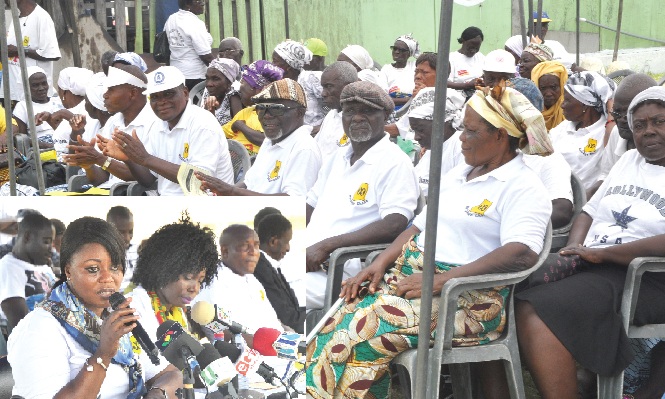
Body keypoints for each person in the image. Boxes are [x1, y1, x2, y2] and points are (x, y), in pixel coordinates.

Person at [306, 85, 552, 398]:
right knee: (339, 316)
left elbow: (522, 254)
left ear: (500, 136)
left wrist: (441, 280)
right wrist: (380, 263)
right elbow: (416, 228)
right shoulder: (459, 175)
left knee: (363, 330)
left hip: (467, 299)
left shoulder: (523, 187)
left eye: (471, 131)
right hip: (413, 283)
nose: (461, 137)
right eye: (463, 128)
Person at [513, 86, 665, 399]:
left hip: (645, 277)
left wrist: (604, 255)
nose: (649, 131)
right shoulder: (628, 161)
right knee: (520, 286)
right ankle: (582, 382)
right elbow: (587, 211)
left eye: (659, 122)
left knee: (535, 307)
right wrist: (575, 249)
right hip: (594, 263)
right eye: (639, 125)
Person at [7, 216, 182, 398]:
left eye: (115, 267)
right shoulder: (40, 328)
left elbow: (170, 373)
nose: (107, 278)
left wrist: (158, 392)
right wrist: (103, 354)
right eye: (93, 269)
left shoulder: (117, 318)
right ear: (68, 271)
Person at [305, 81, 420, 310]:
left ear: (386, 116)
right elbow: (309, 207)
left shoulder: (395, 162)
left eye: (367, 111)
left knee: (264, 290)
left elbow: (395, 224)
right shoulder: (338, 157)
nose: (357, 118)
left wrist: (327, 246)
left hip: (341, 271)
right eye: (349, 112)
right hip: (307, 261)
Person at [105, 66, 234, 196]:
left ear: (185, 93)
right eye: (155, 97)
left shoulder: (203, 123)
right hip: (167, 203)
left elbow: (198, 181)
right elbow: (149, 180)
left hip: (206, 205)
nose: (162, 102)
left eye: (168, 94)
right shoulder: (157, 124)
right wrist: (129, 158)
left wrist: (146, 159)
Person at [196, 78, 321, 196]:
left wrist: (231, 192)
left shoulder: (303, 148)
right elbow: (248, 183)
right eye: (261, 108)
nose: (266, 116)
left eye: (276, 109)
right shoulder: (270, 140)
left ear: (299, 113)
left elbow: (294, 203)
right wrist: (221, 193)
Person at [126, 214, 219, 342]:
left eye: (200, 280)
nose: (195, 288)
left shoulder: (178, 311)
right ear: (163, 269)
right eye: (188, 277)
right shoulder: (132, 308)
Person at [65, 65, 157, 191]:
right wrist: (89, 165)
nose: (105, 95)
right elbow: (101, 179)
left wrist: (100, 159)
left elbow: (146, 178)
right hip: (109, 192)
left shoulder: (155, 121)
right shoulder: (114, 121)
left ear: (133, 93)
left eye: (111, 90)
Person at [195, 224, 283, 332]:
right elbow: (226, 335)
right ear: (225, 251)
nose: (253, 252)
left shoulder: (251, 279)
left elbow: (272, 320)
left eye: (256, 246)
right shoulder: (213, 285)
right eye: (245, 246)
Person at [589, 74, 658, 197]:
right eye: (616, 112)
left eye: (627, 114)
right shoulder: (617, 134)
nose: (620, 119)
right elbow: (606, 175)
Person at [549, 71, 616, 195]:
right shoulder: (563, 128)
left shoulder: (604, 132)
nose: (562, 105)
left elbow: (612, 146)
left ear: (585, 104)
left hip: (586, 198)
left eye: (567, 100)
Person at [0, 213, 55, 332]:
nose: (52, 249)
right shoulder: (9, 267)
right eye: (46, 242)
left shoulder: (44, 267)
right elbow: (21, 324)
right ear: (27, 238)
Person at [1, 0, 61, 103]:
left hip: (34, 96)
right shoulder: (17, 18)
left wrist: (19, 51)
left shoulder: (41, 17)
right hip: (14, 93)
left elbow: (52, 54)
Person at [254, 213, 305, 334]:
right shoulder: (261, 269)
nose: (288, 248)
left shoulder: (269, 264)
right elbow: (285, 317)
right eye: (287, 242)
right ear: (273, 242)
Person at [222, 60, 284, 156]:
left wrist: (241, 126)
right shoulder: (246, 112)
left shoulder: (274, 114)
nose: (239, 88)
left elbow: (268, 140)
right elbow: (220, 133)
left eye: (243, 82)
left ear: (255, 88)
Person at [163, 0, 214, 90]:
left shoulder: (171, 19)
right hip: (195, 76)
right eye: (198, 1)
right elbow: (206, 56)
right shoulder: (194, 23)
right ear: (187, 4)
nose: (203, 3)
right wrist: (221, 70)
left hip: (175, 74)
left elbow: (167, 45)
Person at [273, 40, 325, 128]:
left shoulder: (312, 79)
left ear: (288, 65)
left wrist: (322, 128)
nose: (272, 64)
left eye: (275, 61)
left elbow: (334, 106)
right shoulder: (280, 83)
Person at [313, 61, 358, 160]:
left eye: (329, 86)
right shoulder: (331, 115)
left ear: (349, 86)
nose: (323, 94)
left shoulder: (359, 121)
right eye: (323, 87)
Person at [12, 66, 64, 149]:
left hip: (64, 141)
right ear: (26, 87)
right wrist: (44, 145)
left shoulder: (58, 101)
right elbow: (22, 138)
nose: (41, 88)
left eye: (44, 83)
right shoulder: (22, 107)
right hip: (40, 148)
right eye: (35, 85)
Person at [380, 34, 420, 110]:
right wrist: (410, 100)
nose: (397, 52)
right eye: (395, 48)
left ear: (409, 53)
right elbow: (383, 98)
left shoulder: (415, 66)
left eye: (402, 50)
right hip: (393, 107)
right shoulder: (386, 69)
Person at [200, 58, 242, 125]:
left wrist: (211, 112)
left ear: (229, 82)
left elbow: (239, 129)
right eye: (207, 78)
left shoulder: (234, 94)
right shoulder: (208, 91)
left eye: (216, 79)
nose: (209, 84)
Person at [106, 206, 138, 291]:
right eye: (121, 232)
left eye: (130, 232)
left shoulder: (137, 251)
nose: (127, 238)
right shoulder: (102, 255)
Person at [448, 26, 485, 99]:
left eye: (477, 48)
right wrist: (467, 85)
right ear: (463, 41)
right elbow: (445, 84)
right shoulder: (451, 58)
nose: (473, 50)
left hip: (480, 97)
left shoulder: (481, 57)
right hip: (458, 99)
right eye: (470, 47)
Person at [530, 60, 567, 130]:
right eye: (543, 88)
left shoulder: (570, 113)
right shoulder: (529, 113)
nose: (548, 94)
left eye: (553, 87)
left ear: (562, 86)